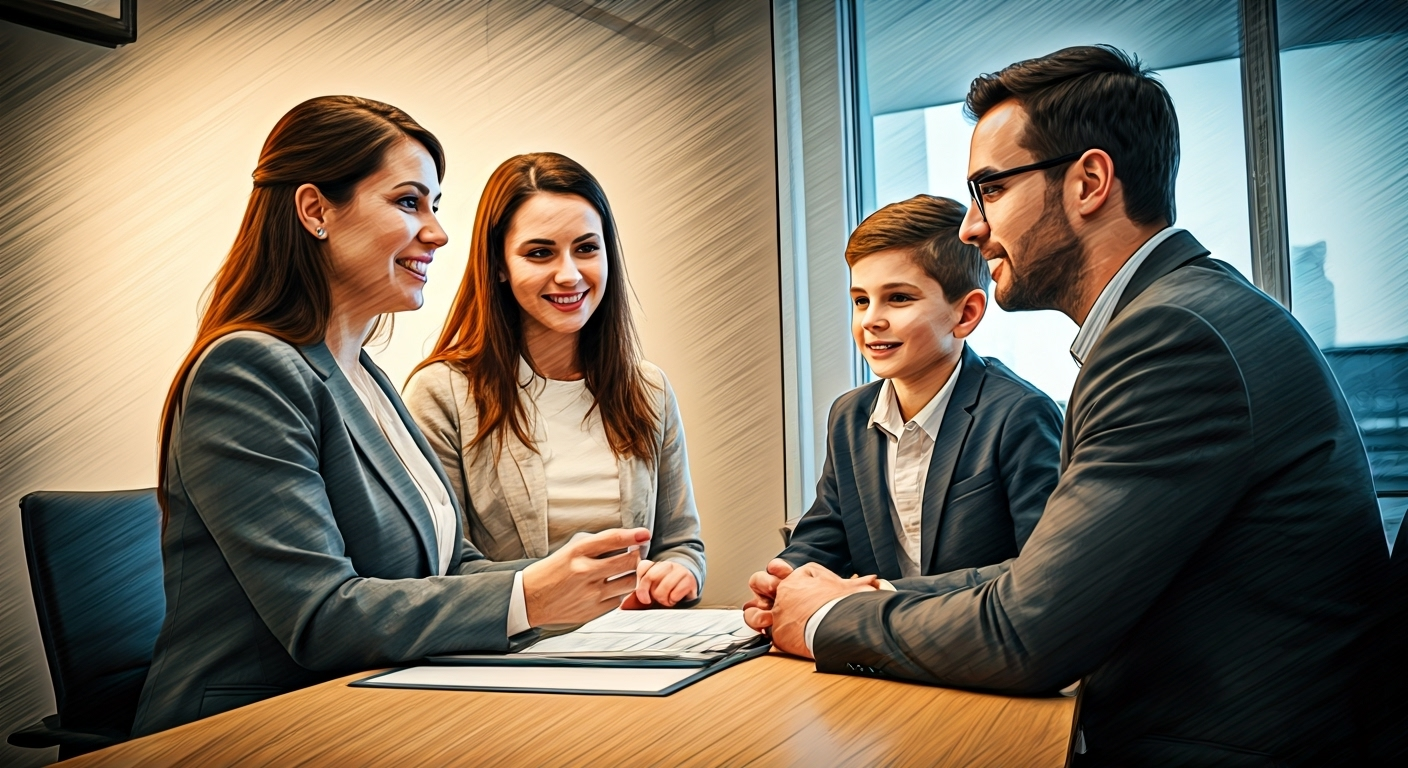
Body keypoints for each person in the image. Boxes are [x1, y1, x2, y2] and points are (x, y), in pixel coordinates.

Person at [746, 46, 1391, 766]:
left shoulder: (1172, 339)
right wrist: (868, 594)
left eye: (991, 189)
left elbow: (1032, 630)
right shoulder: (1181, 314)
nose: (971, 228)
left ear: (1089, 182)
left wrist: (834, 617)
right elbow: (1039, 582)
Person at [134, 97, 650, 736]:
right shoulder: (246, 370)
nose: (437, 233)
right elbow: (320, 618)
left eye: (435, 206)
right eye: (410, 202)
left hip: (367, 710)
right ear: (315, 211)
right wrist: (529, 596)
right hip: (244, 731)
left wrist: (580, 577)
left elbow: (449, 567)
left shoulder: (363, 374)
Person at [404, 152, 704, 610]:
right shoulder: (441, 394)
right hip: (511, 646)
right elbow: (441, 567)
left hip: (635, 640)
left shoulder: (649, 389)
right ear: (499, 265)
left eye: (586, 249)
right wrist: (554, 587)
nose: (569, 274)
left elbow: (682, 544)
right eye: (540, 253)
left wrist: (679, 572)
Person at [763, 194, 1060, 614]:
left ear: (966, 314)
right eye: (861, 300)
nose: (871, 319)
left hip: (971, 636)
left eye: (899, 298)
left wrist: (883, 593)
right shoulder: (848, 417)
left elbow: (1042, 569)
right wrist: (787, 577)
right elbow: (828, 532)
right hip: (876, 643)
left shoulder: (1020, 414)